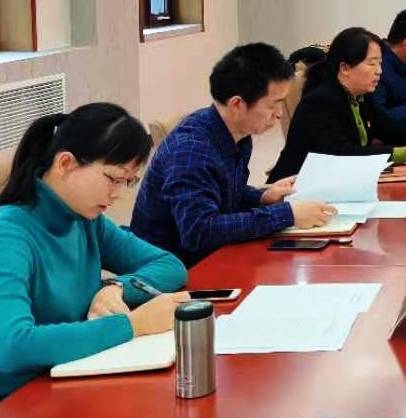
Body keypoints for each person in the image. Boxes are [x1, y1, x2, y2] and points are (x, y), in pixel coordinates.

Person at [0, 104, 189, 418]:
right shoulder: (4, 238)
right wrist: (133, 325)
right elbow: (12, 347)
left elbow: (169, 266)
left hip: (62, 391)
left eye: (128, 181)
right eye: (112, 179)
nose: (118, 194)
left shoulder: (84, 219)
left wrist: (114, 287)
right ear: (66, 163)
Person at [130, 43, 338, 266]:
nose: (279, 114)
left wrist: (262, 197)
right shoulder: (192, 151)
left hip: (215, 257)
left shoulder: (237, 132)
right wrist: (288, 214)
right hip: (173, 270)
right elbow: (199, 232)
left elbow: (222, 193)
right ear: (237, 104)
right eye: (272, 106)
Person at [270, 26, 406, 181]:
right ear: (344, 68)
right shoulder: (320, 102)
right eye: (372, 64)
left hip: (337, 182)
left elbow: (388, 127)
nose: (379, 71)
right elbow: (342, 153)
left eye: (380, 63)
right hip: (294, 188)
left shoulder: (360, 95)